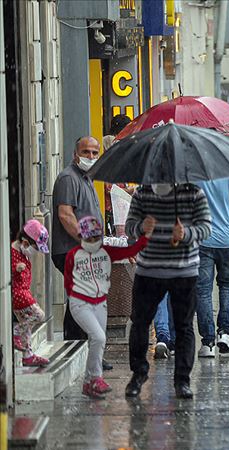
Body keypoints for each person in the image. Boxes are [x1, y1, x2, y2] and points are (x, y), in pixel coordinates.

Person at [124, 183, 212, 400]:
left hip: (183, 271)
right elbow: (129, 226)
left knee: (183, 327)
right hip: (149, 270)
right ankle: (138, 374)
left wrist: (186, 233)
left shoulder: (193, 193)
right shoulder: (142, 193)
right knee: (140, 323)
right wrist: (141, 228)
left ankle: (182, 380)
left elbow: (206, 228)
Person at [65, 216, 154, 398]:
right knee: (98, 337)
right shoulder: (72, 255)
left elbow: (132, 250)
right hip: (80, 303)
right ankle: (94, 378)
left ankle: (89, 382)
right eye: (88, 238)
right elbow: (68, 282)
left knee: (99, 340)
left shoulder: (106, 252)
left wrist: (146, 237)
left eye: (96, 238)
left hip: (100, 302)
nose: (92, 242)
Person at [51, 137, 103, 343]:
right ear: (75, 154)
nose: (90, 157)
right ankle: (75, 346)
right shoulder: (68, 178)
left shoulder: (86, 178)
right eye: (86, 152)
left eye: (94, 153)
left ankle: (80, 348)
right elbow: (65, 215)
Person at [195, 176, 229, 358]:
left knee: (203, 291)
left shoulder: (197, 173)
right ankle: (224, 333)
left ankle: (207, 343)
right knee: (228, 285)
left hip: (204, 238)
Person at [11, 220, 51, 367]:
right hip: (18, 294)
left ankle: (28, 355)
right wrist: (15, 269)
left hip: (23, 292)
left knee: (27, 325)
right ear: (25, 242)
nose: (35, 253)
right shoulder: (12, 253)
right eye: (35, 248)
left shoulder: (23, 252)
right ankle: (15, 331)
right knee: (39, 315)